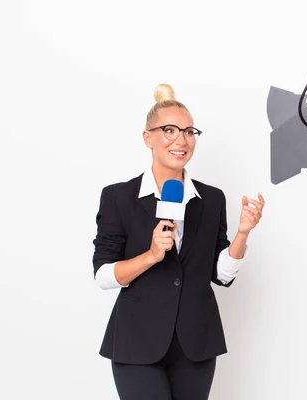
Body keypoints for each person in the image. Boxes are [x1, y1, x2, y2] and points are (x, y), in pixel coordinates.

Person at [91, 83, 264, 400]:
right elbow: (103, 276)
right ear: (148, 138)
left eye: (189, 132)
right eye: (169, 130)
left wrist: (242, 234)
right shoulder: (118, 197)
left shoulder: (211, 198)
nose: (181, 140)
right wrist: (151, 255)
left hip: (196, 344)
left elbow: (221, 275)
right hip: (136, 343)